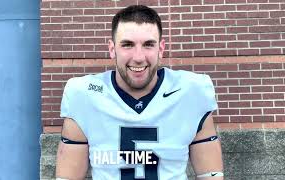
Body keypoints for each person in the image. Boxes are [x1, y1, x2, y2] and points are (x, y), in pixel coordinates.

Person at [56, 5, 223, 180]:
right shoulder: (84, 94)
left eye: (148, 44)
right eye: (127, 44)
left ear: (161, 48)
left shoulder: (191, 91)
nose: (138, 57)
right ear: (112, 49)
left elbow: (210, 175)